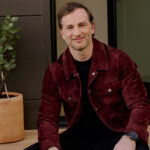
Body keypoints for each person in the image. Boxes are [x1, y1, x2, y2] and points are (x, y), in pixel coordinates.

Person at [25, 2, 150, 150]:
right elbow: (47, 118)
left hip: (119, 134)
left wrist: (130, 137)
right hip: (78, 139)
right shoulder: (54, 71)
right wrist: (52, 147)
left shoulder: (119, 60)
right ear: (62, 33)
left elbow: (140, 104)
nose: (77, 33)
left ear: (92, 27)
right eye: (70, 27)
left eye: (82, 25)